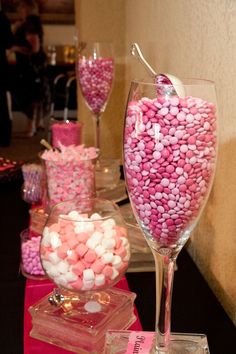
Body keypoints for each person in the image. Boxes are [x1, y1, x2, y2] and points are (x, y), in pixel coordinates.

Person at [11, 0, 50, 137]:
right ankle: (37, 124)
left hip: (32, 66)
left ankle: (31, 126)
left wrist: (15, 47)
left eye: (21, 8)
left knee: (32, 95)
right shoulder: (28, 23)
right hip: (32, 65)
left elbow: (35, 48)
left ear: (27, 9)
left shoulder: (31, 24)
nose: (19, 10)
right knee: (36, 95)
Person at [0, 5, 14, 147]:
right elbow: (9, 42)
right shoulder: (2, 18)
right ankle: (4, 138)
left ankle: (4, 138)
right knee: (3, 102)